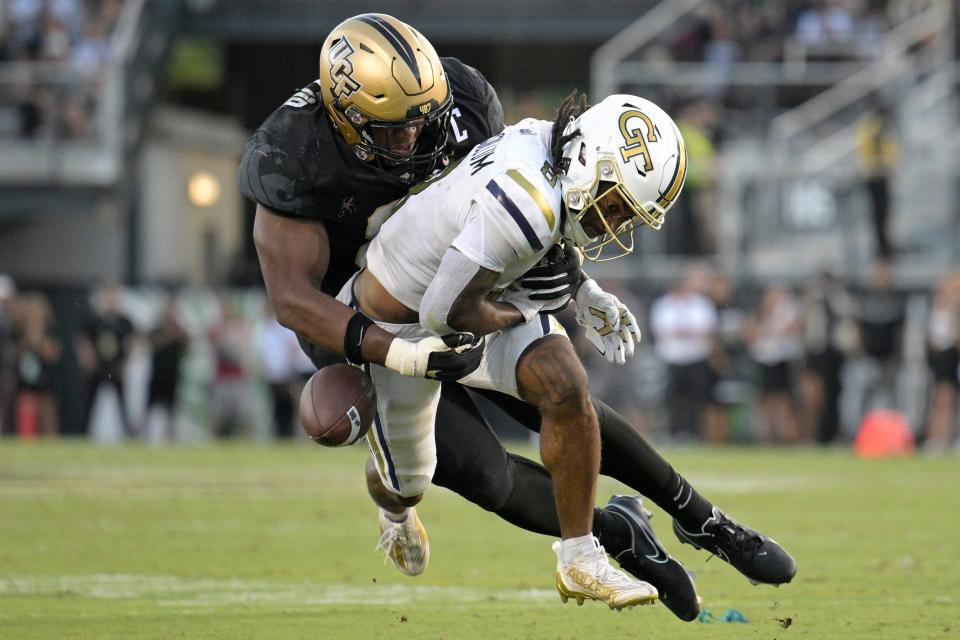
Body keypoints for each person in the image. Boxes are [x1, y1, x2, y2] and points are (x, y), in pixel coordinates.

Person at [238, 13, 794, 622]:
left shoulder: (465, 103)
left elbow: (520, 208)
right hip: (361, 318)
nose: (417, 139)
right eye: (396, 131)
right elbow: (294, 300)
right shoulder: (289, 154)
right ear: (346, 116)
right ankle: (597, 529)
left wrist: (578, 285)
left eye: (427, 118)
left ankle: (693, 518)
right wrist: (397, 351)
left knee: (563, 389)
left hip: (461, 280)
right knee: (473, 471)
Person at [342, 94, 691, 608]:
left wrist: (583, 291)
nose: (611, 224)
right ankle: (395, 514)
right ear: (590, 161)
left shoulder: (550, 144)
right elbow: (444, 312)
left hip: (468, 300)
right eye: (614, 204)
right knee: (406, 481)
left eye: (625, 217)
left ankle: (579, 559)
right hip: (404, 327)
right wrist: (530, 312)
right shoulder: (529, 200)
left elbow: (538, 243)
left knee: (566, 386)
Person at [76, 280, 135, 438]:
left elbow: (132, 343)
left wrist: (126, 363)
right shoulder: (94, 319)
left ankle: (127, 435)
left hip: (116, 368)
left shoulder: (124, 321)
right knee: (89, 404)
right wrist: (87, 359)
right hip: (98, 368)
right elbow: (83, 340)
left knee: (122, 405)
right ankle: (84, 435)